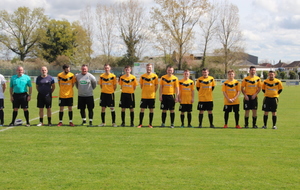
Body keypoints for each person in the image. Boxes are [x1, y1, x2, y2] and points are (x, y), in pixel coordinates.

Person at [137, 63, 158, 128]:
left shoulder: (155, 76)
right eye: (148, 67)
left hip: (152, 96)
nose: (149, 68)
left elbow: (156, 86)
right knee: (142, 109)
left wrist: (153, 92)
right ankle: (140, 124)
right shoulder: (142, 76)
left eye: (150, 67)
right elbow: (141, 86)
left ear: (152, 68)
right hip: (144, 96)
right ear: (146, 68)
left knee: (151, 109)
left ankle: (150, 124)